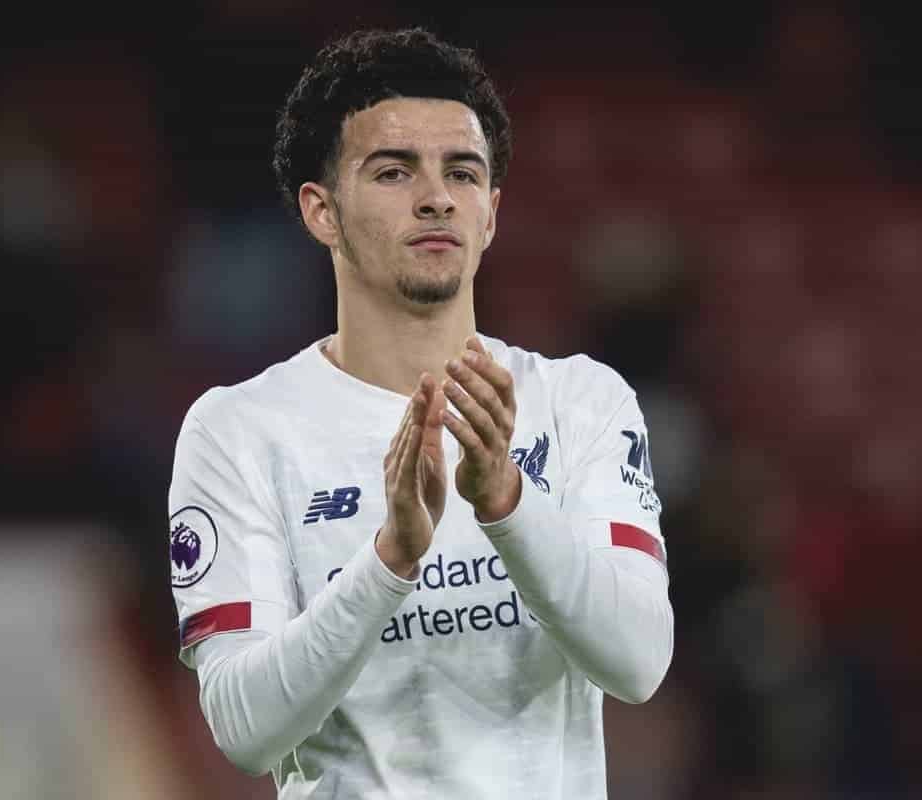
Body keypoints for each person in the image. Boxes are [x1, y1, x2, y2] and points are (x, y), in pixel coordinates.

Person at [168, 27, 673, 799]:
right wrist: (391, 558)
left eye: (462, 173)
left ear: (492, 213)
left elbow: (639, 661)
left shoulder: (580, 401)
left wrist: (506, 500)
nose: (437, 196)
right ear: (321, 211)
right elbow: (244, 729)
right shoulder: (239, 430)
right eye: (394, 171)